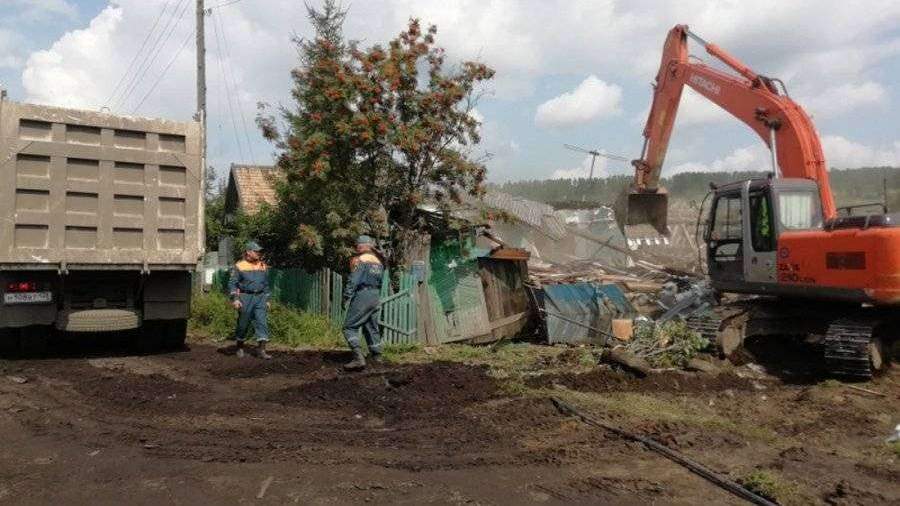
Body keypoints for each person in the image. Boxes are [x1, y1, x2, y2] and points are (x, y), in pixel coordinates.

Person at [341, 235, 385, 370]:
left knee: (349, 327)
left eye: (359, 245)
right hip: (375, 295)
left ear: (366, 246)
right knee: (371, 327)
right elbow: (381, 281)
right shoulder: (378, 262)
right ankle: (377, 357)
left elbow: (353, 280)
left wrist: (347, 296)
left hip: (363, 295)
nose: (357, 247)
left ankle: (358, 358)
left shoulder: (361, 260)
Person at [227, 241, 272, 360]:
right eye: (256, 251)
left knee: (262, 322)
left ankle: (261, 350)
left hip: (260, 297)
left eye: (259, 251)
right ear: (248, 252)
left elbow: (266, 284)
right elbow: (232, 284)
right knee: (243, 323)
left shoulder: (263, 266)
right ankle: (240, 347)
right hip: (245, 297)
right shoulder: (239, 266)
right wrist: (235, 299)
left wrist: (267, 299)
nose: (258, 253)